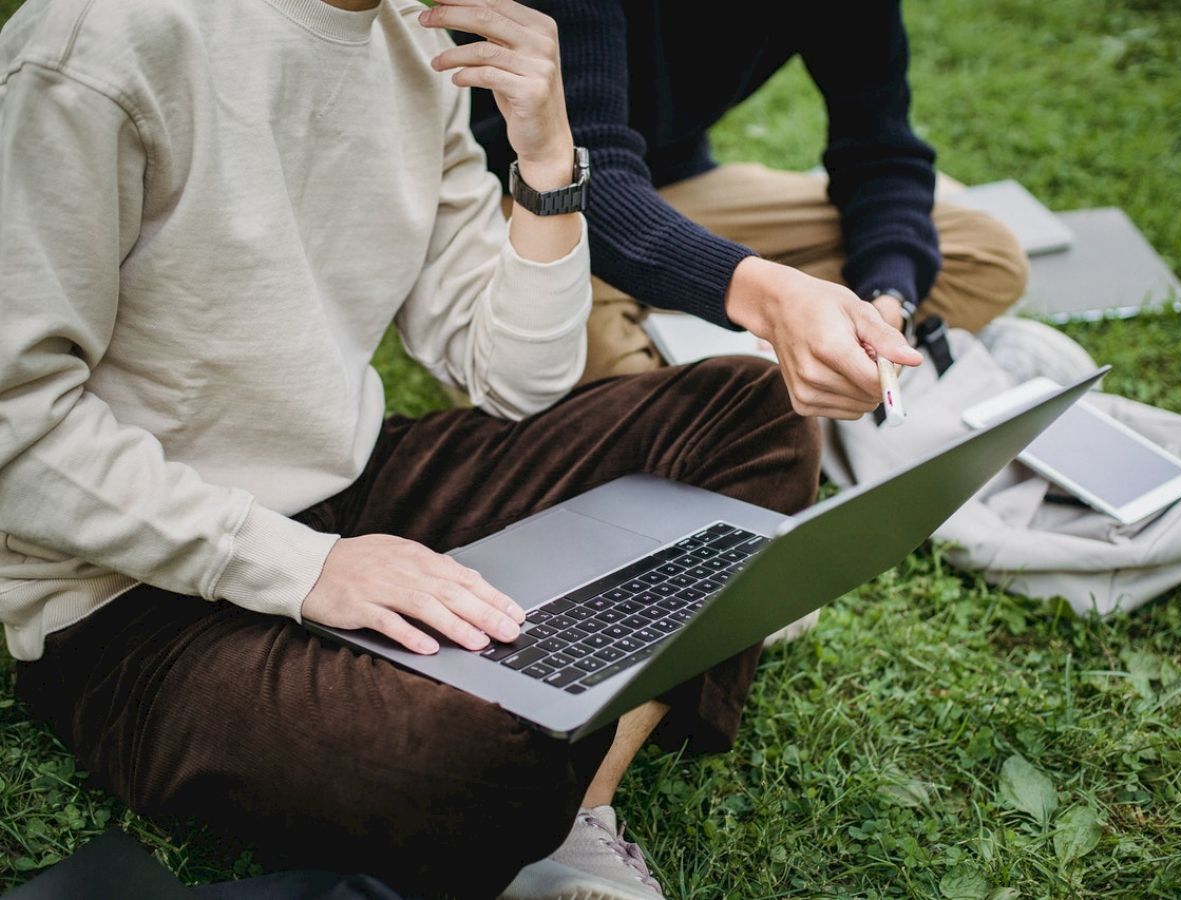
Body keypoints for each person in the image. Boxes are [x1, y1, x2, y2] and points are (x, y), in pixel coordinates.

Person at [0, 0, 920, 897]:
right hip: (129, 597)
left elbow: (514, 378)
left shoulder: (417, 34)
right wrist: (302, 566)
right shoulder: (100, 39)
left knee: (749, 412)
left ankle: (578, 804)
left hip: (359, 488)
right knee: (473, 756)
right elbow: (14, 425)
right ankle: (571, 727)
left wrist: (548, 165)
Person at [460, 0, 1030, 409]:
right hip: (525, 199)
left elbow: (881, 151)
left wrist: (886, 297)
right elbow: (583, 168)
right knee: (585, 381)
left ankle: (723, 364)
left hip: (675, 185)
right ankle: (704, 369)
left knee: (983, 253)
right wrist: (767, 296)